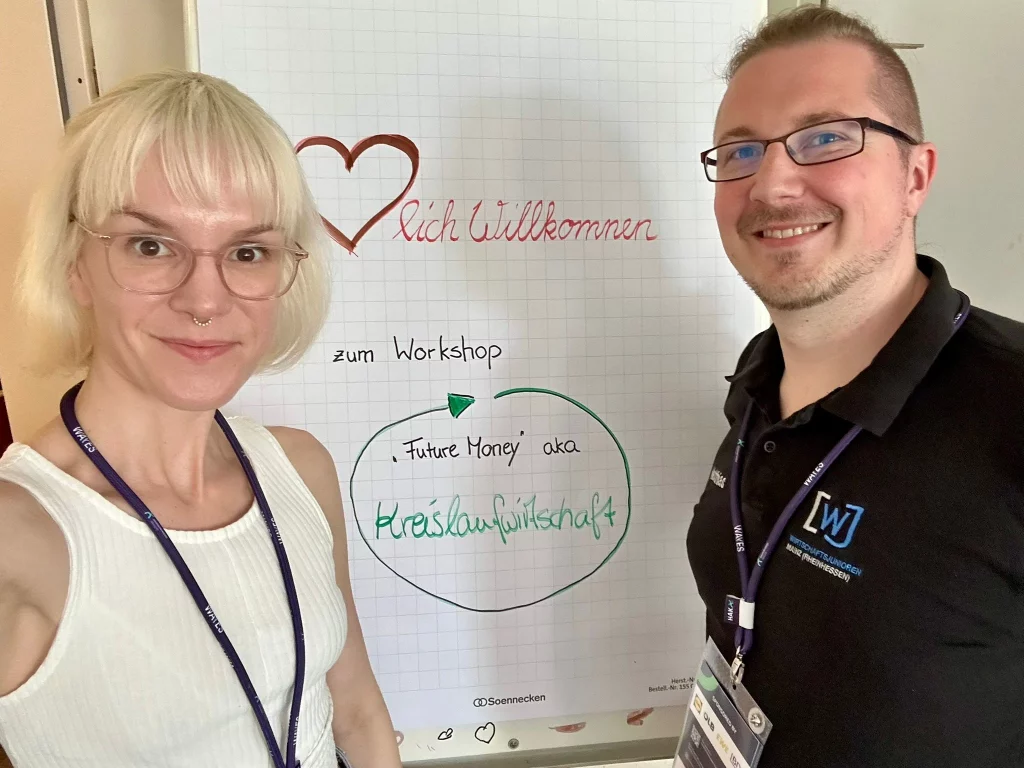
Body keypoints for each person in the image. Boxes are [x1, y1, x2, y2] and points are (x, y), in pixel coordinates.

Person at [0, 70, 402, 768]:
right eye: (150, 245)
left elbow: (358, 713)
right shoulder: (21, 536)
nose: (206, 301)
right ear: (74, 264)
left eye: (248, 252)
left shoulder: (299, 468)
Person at [686, 7, 1024, 767]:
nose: (772, 182)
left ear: (916, 176)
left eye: (825, 138)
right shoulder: (755, 380)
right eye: (740, 151)